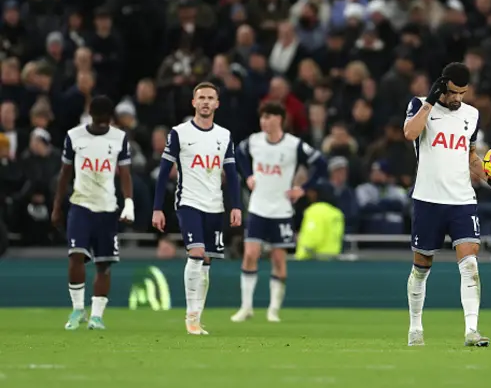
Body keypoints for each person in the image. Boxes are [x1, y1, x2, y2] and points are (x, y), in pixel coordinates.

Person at [403, 62, 491, 347]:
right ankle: (415, 327)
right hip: (428, 199)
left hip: (462, 200)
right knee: (421, 267)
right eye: (453, 92)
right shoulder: (419, 106)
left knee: (470, 264)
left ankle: (471, 330)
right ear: (442, 86)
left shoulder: (471, 115)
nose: (457, 99)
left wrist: (489, 176)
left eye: (463, 93)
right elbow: (410, 134)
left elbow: (471, 156)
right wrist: (429, 101)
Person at [152, 82, 242, 335]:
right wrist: (157, 208)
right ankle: (190, 317)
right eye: (201, 97)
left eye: (210, 98)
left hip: (215, 205)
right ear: (193, 102)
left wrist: (236, 206)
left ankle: (197, 318)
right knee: (197, 252)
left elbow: (232, 175)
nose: (205, 102)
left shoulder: (224, 135)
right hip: (188, 202)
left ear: (217, 104)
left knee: (207, 261)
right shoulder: (179, 133)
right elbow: (162, 173)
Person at [231, 102, 326, 323]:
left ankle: (273, 309)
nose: (264, 122)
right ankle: (246, 307)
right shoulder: (254, 141)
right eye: (262, 117)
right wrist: (247, 176)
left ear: (280, 119)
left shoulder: (293, 145)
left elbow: (320, 163)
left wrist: (302, 188)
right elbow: (238, 153)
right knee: (250, 254)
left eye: (269, 117)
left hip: (282, 209)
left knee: (278, 259)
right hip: (258, 207)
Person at [51, 96, 135, 331]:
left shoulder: (119, 138)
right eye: (97, 119)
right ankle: (78, 309)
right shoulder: (74, 136)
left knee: (103, 264)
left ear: (110, 119)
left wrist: (129, 203)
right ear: (90, 114)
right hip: (81, 205)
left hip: (107, 208)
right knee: (76, 256)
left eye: (104, 120)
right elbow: (65, 173)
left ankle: (97, 316)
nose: (100, 124)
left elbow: (125, 173)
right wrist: (58, 205)